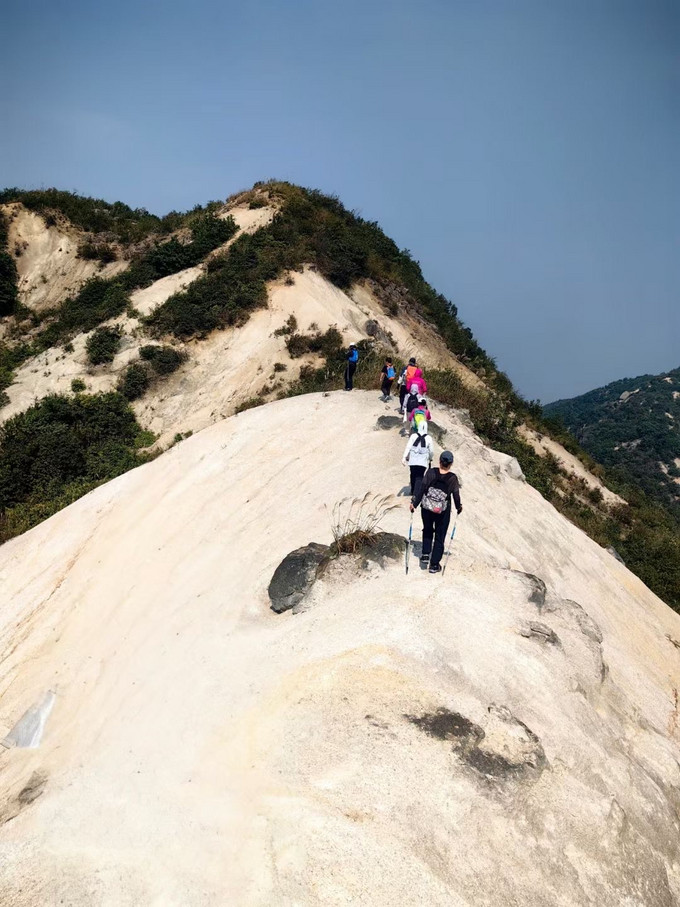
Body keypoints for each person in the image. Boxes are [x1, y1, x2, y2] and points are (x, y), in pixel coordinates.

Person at [410, 450, 462, 574]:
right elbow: (456, 495)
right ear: (451, 464)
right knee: (440, 535)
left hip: (427, 508)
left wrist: (414, 504)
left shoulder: (431, 472)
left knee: (427, 529)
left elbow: (422, 488)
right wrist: (458, 507)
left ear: (440, 461)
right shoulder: (452, 478)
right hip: (442, 511)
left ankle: (425, 554)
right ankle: (434, 565)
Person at [402, 422, 434, 496]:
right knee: (420, 476)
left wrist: (404, 457)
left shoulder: (413, 436)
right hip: (422, 461)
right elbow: (431, 451)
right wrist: (430, 458)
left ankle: (413, 490)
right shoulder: (428, 438)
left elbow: (408, 447)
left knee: (413, 474)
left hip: (413, 459)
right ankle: (416, 494)